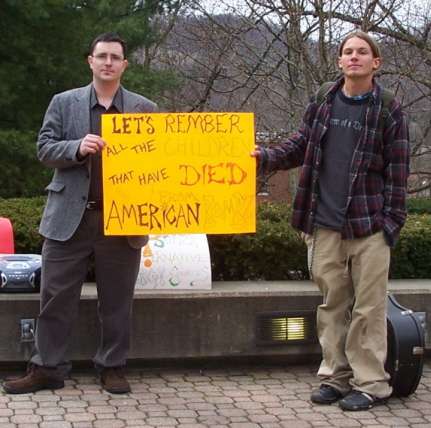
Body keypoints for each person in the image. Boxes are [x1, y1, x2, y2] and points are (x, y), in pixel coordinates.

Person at [253, 31, 409, 411]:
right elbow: (300, 145)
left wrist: (390, 223)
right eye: (347, 52)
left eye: (362, 53)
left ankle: (372, 383)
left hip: (369, 226)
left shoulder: (388, 108)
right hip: (324, 224)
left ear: (376, 62)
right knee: (332, 305)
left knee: (368, 309)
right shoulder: (323, 100)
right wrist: (265, 157)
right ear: (339, 61)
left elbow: (398, 172)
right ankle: (335, 377)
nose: (353, 57)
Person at [3, 32, 156, 394]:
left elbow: (163, 160)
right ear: (90, 61)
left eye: (114, 57)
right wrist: (76, 147)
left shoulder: (144, 109)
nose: (107, 62)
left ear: (124, 65)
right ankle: (47, 369)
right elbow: (44, 149)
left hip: (122, 220)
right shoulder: (63, 103)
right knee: (55, 298)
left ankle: (113, 367)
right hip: (68, 219)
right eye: (101, 56)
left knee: (117, 301)